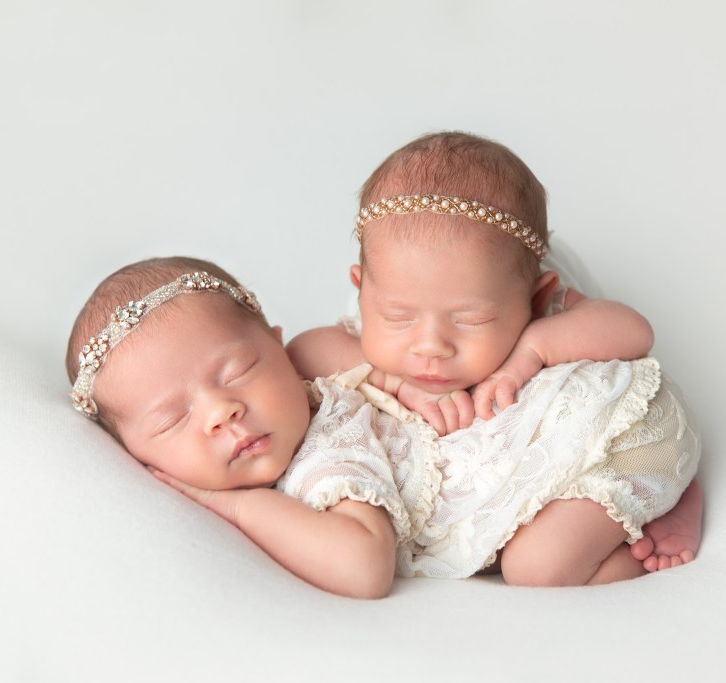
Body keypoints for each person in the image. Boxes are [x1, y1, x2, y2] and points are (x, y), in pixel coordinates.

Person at [67, 256, 696, 591]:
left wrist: (231, 505)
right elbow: (319, 348)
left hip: (613, 433)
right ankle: (659, 492)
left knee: (540, 570)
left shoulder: (325, 456)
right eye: (173, 419)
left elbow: (362, 566)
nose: (220, 411)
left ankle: (665, 498)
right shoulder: (313, 379)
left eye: (239, 371)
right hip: (577, 427)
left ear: (276, 345)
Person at [285, 131, 703, 572]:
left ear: (536, 298)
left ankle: (667, 492)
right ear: (362, 291)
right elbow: (302, 352)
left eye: (470, 319)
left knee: (535, 568)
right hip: (548, 481)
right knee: (524, 560)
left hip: (617, 445)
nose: (431, 346)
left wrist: (533, 350)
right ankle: (641, 521)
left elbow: (635, 331)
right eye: (398, 317)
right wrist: (393, 383)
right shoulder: (375, 322)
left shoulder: (544, 318)